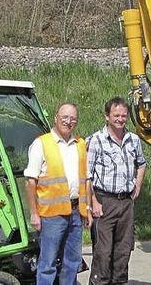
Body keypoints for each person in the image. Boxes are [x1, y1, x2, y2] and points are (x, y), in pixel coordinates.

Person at [25, 103, 93, 285]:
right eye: (64, 117)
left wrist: (87, 209)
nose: (68, 122)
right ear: (56, 117)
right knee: (47, 264)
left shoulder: (80, 144)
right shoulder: (42, 144)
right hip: (51, 215)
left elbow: (86, 179)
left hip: (76, 212)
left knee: (72, 262)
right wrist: (34, 213)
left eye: (72, 119)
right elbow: (31, 181)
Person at [87, 97, 146, 285]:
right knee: (103, 253)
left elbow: (142, 164)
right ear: (107, 116)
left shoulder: (133, 140)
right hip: (104, 202)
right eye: (116, 115)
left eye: (123, 115)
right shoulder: (96, 140)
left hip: (126, 202)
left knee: (123, 250)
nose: (120, 119)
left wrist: (137, 185)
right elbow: (86, 175)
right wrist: (94, 202)